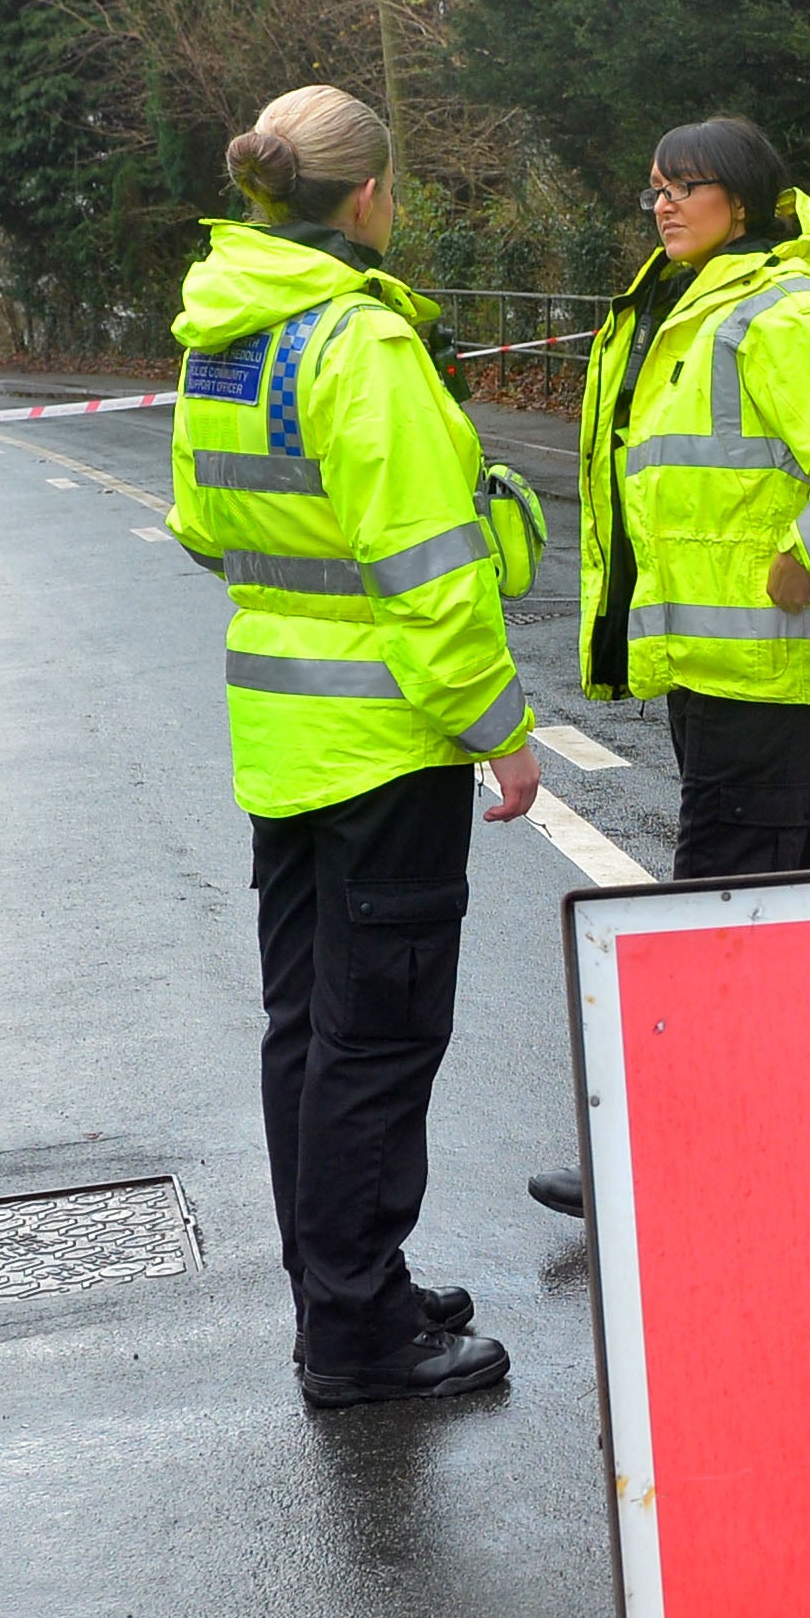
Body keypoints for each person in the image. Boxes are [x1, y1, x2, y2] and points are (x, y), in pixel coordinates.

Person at [175, 83, 543, 1406]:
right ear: (373, 195)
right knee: (376, 1043)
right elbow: (434, 580)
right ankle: (360, 1336)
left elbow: (202, 525)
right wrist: (501, 731)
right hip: (388, 740)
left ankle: (340, 1293)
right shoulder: (360, 345)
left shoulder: (222, 330)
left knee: (308, 1035)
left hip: (283, 741)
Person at [527, 117, 810, 1217]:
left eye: (688, 188)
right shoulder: (681, 310)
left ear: (742, 203)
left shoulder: (781, 313)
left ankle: (660, 1143)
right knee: (788, 893)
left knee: (709, 917)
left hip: (763, 677)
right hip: (712, 673)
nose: (662, 205)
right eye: (653, 187)